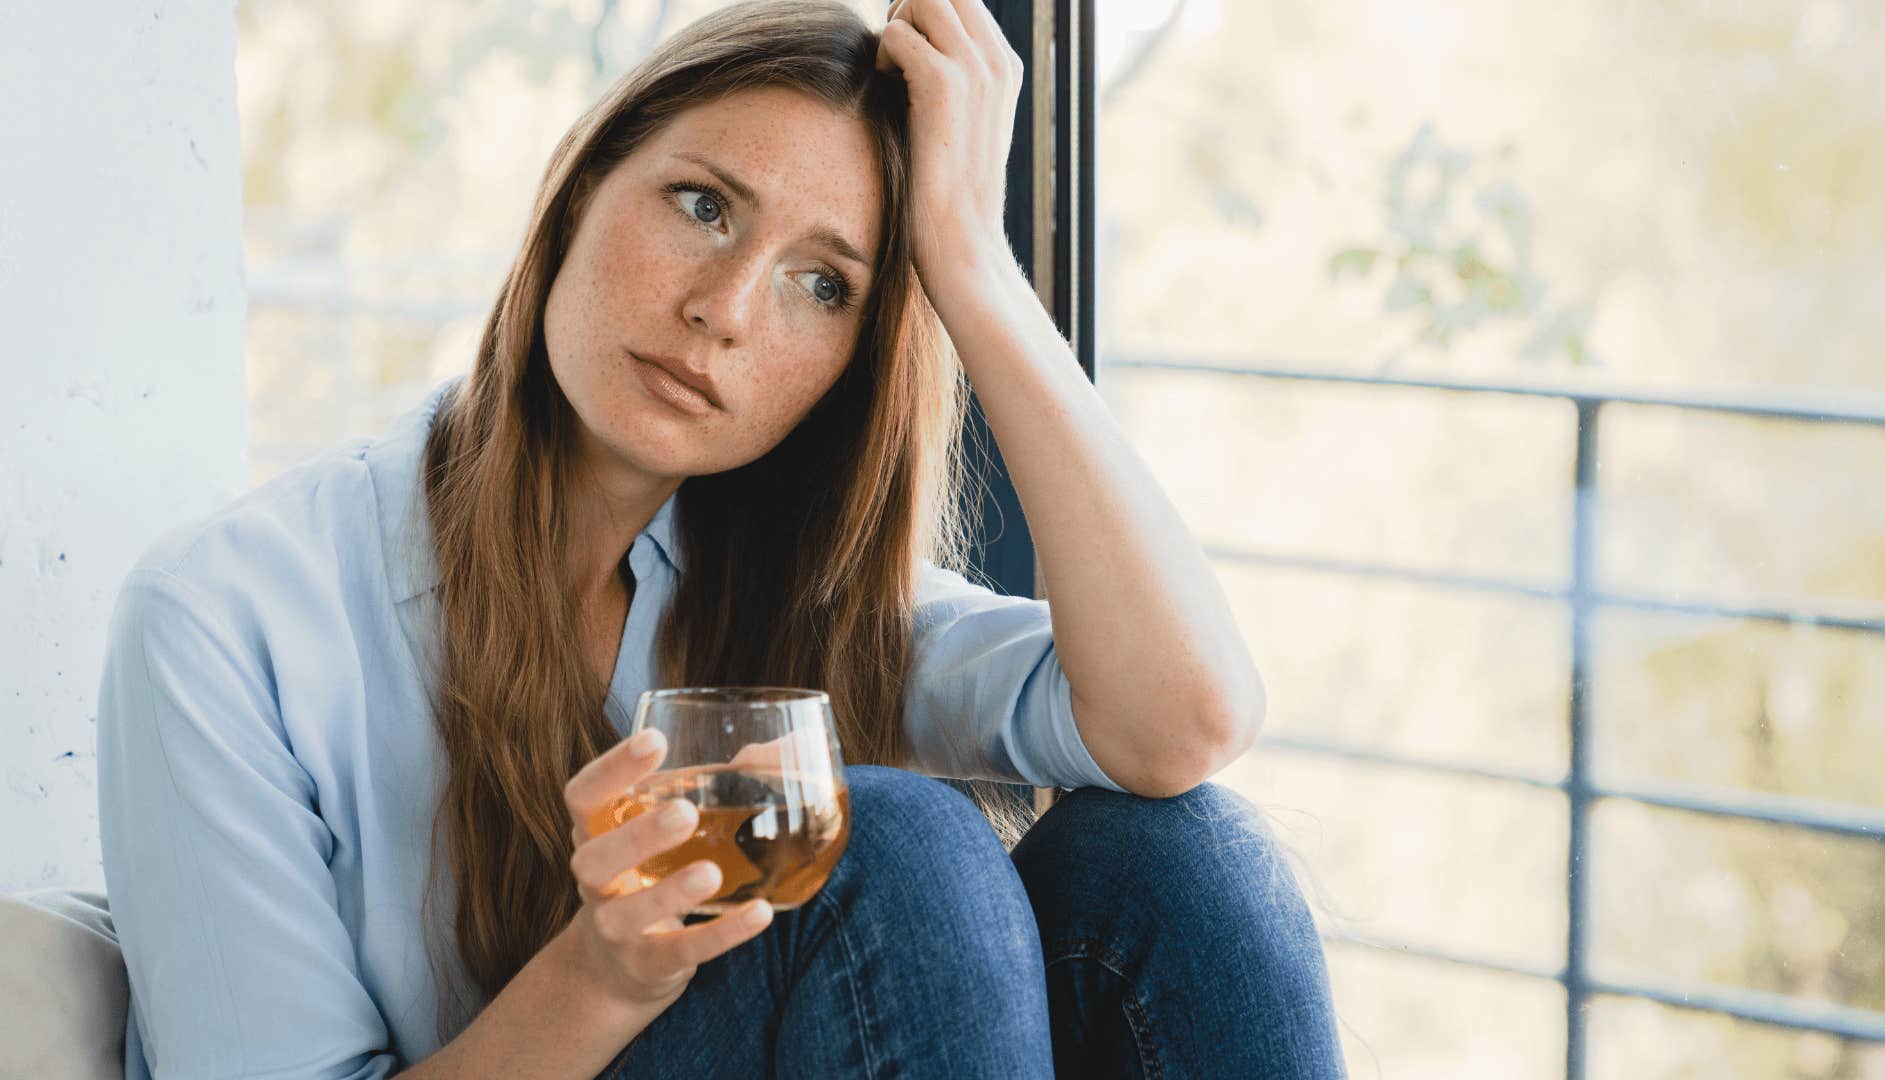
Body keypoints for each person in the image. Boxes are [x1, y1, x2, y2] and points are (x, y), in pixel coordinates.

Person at [94, 0, 1346, 1076]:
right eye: (702, 206)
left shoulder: (814, 594)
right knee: (893, 844)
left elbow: (1184, 724)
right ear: (580, 193)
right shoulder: (225, 617)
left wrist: (973, 263)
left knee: (1174, 855)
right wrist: (602, 974)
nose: (725, 310)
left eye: (825, 285)